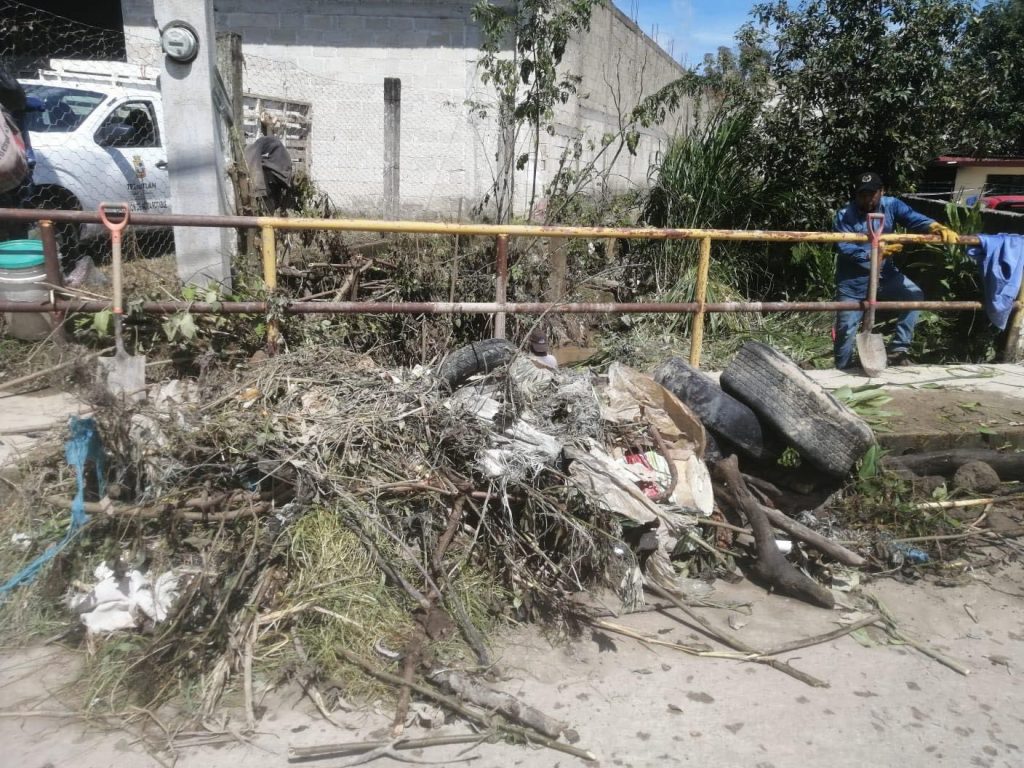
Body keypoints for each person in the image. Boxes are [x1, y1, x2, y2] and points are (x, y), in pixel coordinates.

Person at [832, 171, 958, 369]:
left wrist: (933, 226)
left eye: (872, 194)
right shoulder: (844, 215)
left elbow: (912, 218)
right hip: (853, 280)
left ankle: (898, 349)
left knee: (914, 295)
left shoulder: (891, 205)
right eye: (862, 195)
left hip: (885, 275)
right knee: (846, 328)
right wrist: (874, 254)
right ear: (855, 195)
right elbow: (845, 248)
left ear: (881, 191)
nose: (867, 199)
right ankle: (842, 367)